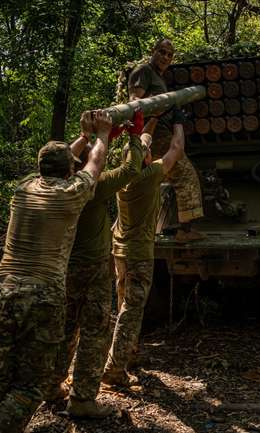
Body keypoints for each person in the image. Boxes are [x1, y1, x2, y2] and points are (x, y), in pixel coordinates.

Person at [0, 110, 113, 433]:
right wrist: (103, 135)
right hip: (42, 295)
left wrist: (83, 136)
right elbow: (95, 164)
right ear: (69, 169)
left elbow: (65, 159)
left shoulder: (23, 189)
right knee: (27, 387)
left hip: (2, 290)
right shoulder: (72, 193)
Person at [46, 109, 149, 418]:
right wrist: (134, 133)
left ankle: (51, 386)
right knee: (95, 331)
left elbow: (64, 157)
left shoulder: (49, 185)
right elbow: (132, 168)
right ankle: (82, 399)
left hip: (63, 268)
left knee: (65, 328)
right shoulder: (93, 186)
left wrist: (89, 136)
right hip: (92, 270)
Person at [102, 109, 187, 387]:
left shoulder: (121, 178)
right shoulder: (150, 177)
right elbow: (177, 148)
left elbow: (140, 146)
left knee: (123, 303)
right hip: (139, 254)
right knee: (132, 310)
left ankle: (129, 353)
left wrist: (148, 121)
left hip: (120, 253)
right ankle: (114, 368)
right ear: (146, 158)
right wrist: (178, 122)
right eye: (147, 150)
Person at [127, 38, 206, 242]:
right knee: (186, 175)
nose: (165, 57)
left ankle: (145, 228)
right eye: (162, 52)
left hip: (161, 134)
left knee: (157, 180)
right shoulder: (143, 71)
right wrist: (156, 114)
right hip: (154, 135)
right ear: (153, 51)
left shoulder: (158, 78)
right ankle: (185, 232)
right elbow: (134, 104)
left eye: (170, 55)